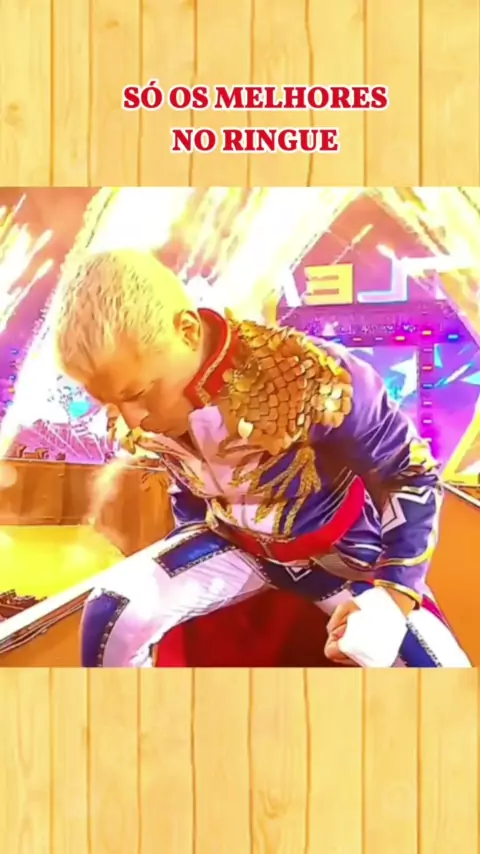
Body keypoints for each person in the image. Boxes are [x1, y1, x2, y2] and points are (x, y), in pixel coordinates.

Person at [52, 250, 470, 668]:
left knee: (443, 677)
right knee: (114, 614)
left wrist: (393, 597)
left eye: (139, 394)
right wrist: (187, 551)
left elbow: (409, 472)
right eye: (110, 402)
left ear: (188, 332)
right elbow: (189, 490)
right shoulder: (151, 381)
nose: (132, 419)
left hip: (344, 558)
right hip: (235, 550)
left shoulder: (312, 373)